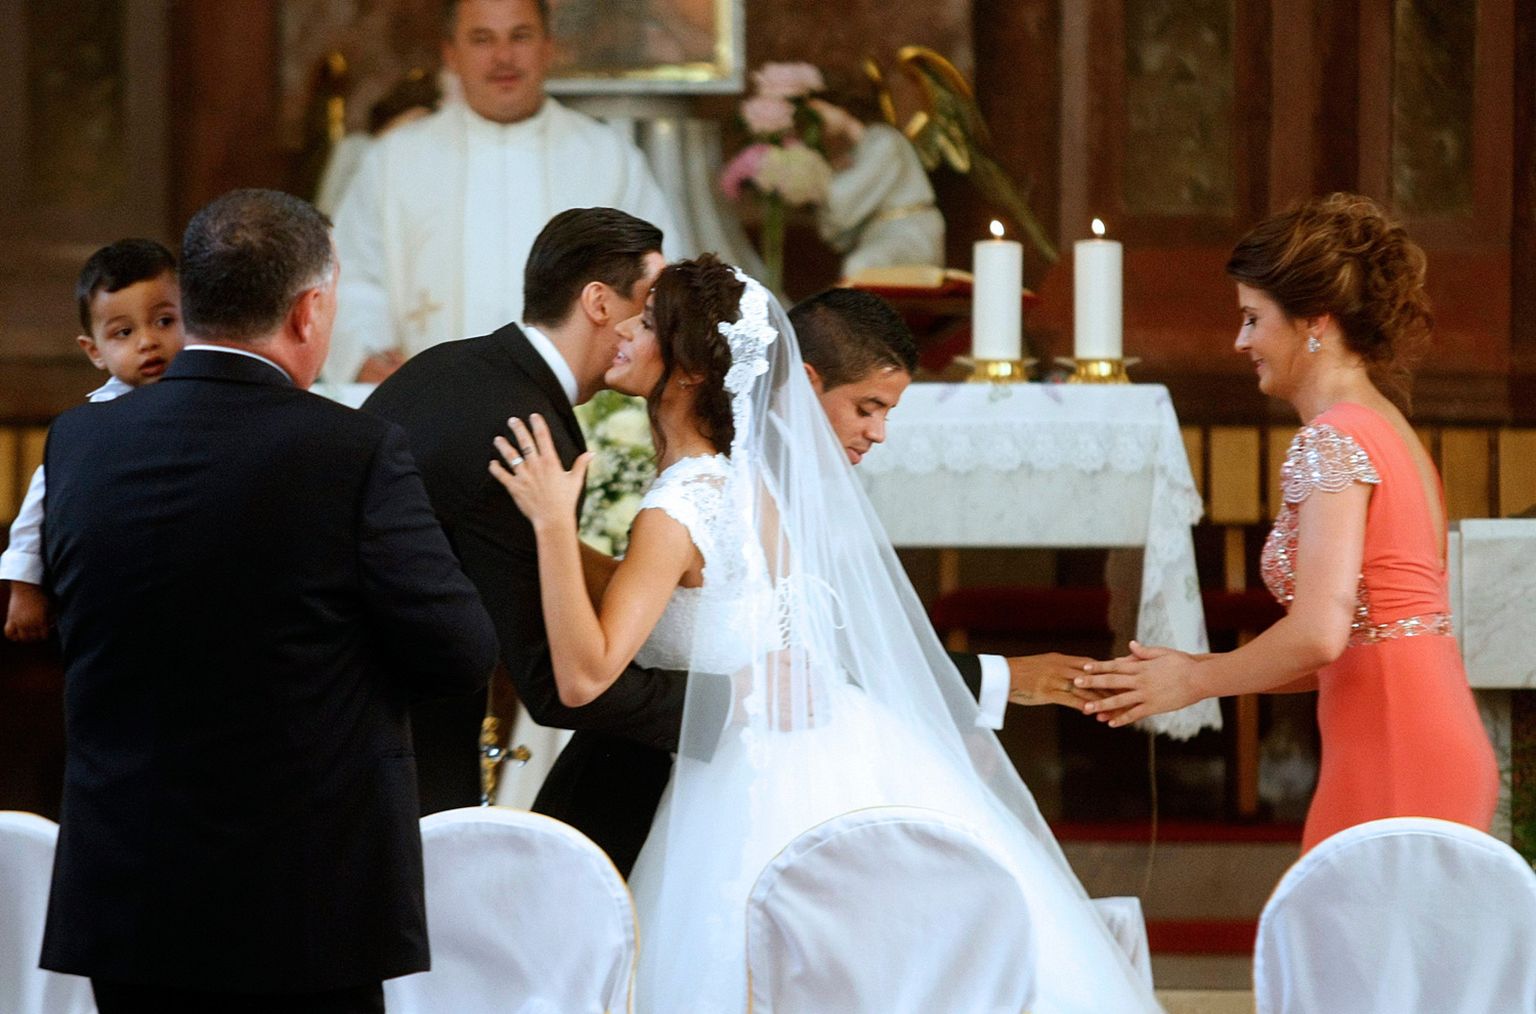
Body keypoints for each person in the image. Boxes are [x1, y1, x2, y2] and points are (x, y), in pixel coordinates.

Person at [492, 254, 1159, 1011]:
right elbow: (694, 609)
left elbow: (587, 675)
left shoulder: (684, 504)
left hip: (728, 788)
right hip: (799, 754)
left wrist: (550, 526)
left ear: (687, 366)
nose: (622, 333)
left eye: (645, 324)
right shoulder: (752, 489)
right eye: (869, 407)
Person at [39, 188, 497, 1014]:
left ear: (194, 303)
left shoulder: (79, 442)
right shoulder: (353, 450)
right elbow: (460, 651)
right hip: (304, 904)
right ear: (308, 310)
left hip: (128, 894)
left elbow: (83, 622)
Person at [1076, 193, 1498, 851]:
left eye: (1253, 319)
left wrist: (1194, 679)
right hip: (1413, 739)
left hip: (1393, 751)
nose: (1240, 341)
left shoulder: (1333, 439)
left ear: (1314, 322)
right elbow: (1359, 639)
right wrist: (1189, 670)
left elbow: (1320, 635)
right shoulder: (1387, 426)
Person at [362, 206, 685, 823]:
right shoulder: (529, 434)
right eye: (648, 310)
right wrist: (729, 705)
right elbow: (556, 686)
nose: (660, 330)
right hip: (396, 754)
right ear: (599, 302)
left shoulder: (449, 364)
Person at [327, 0, 679, 384]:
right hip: (430, 398)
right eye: (482, 39)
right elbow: (352, 276)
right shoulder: (395, 160)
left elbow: (658, 279)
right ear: (451, 54)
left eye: (520, 36)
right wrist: (366, 355)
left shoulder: (608, 157)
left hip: (576, 403)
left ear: (548, 47)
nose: (503, 57)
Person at [791, 286, 1098, 719]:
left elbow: (859, 651)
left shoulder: (813, 485)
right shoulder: (733, 493)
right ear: (806, 383)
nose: (879, 433)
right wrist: (1008, 678)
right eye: (867, 408)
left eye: (886, 413)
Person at [2, 239, 183, 643]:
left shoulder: (210, 401)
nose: (147, 341)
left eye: (165, 321)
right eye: (124, 332)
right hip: (111, 594)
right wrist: (25, 586)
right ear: (94, 351)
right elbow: (40, 506)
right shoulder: (88, 428)